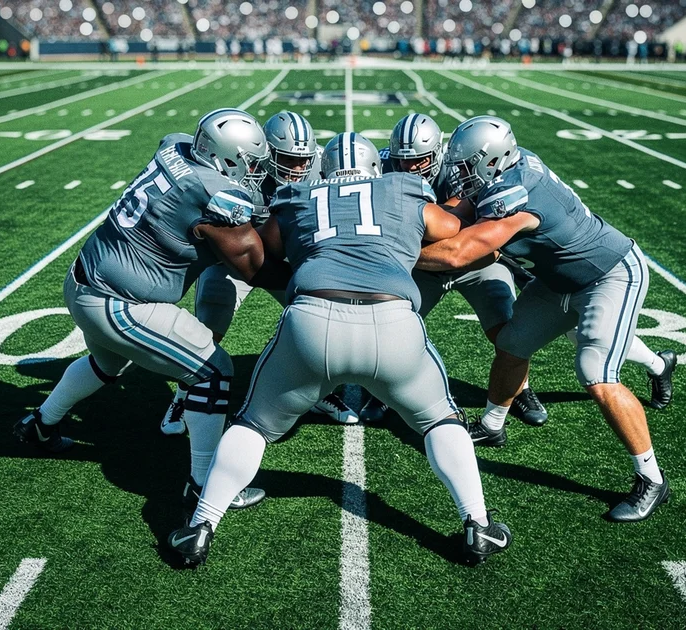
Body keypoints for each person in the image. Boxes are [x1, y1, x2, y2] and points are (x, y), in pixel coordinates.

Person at [167, 133, 512, 567]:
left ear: (324, 169)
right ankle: (478, 525)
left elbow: (268, 246)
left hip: (313, 319)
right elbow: (450, 230)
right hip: (392, 321)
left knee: (253, 424)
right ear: (376, 167)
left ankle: (200, 525)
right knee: (441, 419)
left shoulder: (297, 195)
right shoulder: (402, 187)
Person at [14, 109, 283, 513]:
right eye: (250, 165)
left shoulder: (176, 145)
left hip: (84, 278)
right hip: (119, 301)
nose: (256, 173)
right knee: (213, 373)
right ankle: (205, 484)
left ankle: (40, 424)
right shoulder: (218, 194)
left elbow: (173, 154)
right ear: (224, 159)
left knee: (109, 363)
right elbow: (253, 267)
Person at [417, 116, 670, 522]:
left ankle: (652, 478)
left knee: (596, 372)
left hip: (609, 273)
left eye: (465, 168)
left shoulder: (514, 197)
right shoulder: (508, 169)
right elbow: (460, 209)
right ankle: (493, 422)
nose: (459, 175)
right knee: (513, 343)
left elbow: (456, 254)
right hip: (558, 279)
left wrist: (392, 249)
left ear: (490, 161)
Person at [159, 111, 358, 437]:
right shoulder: (246, 168)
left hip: (295, 259)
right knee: (210, 325)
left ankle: (319, 392)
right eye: (287, 159)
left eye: (302, 160)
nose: (297, 169)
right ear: (266, 153)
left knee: (324, 325)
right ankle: (184, 393)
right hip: (237, 260)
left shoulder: (322, 169)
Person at [367, 113, 548, 431]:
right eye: (403, 161)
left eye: (420, 160)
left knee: (506, 330)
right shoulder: (382, 166)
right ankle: (384, 391)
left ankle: (520, 388)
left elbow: (468, 234)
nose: (410, 168)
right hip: (421, 264)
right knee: (391, 326)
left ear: (439, 153)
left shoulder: (462, 167)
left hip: (472, 261)